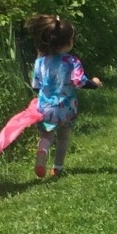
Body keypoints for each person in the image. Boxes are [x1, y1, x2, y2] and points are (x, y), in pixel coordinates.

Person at [27, 14, 102, 178]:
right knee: (63, 138)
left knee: (46, 135)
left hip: (45, 106)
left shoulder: (40, 61)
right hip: (66, 107)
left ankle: (42, 151)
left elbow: (36, 85)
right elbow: (79, 82)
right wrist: (94, 83)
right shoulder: (71, 61)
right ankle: (57, 168)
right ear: (68, 42)